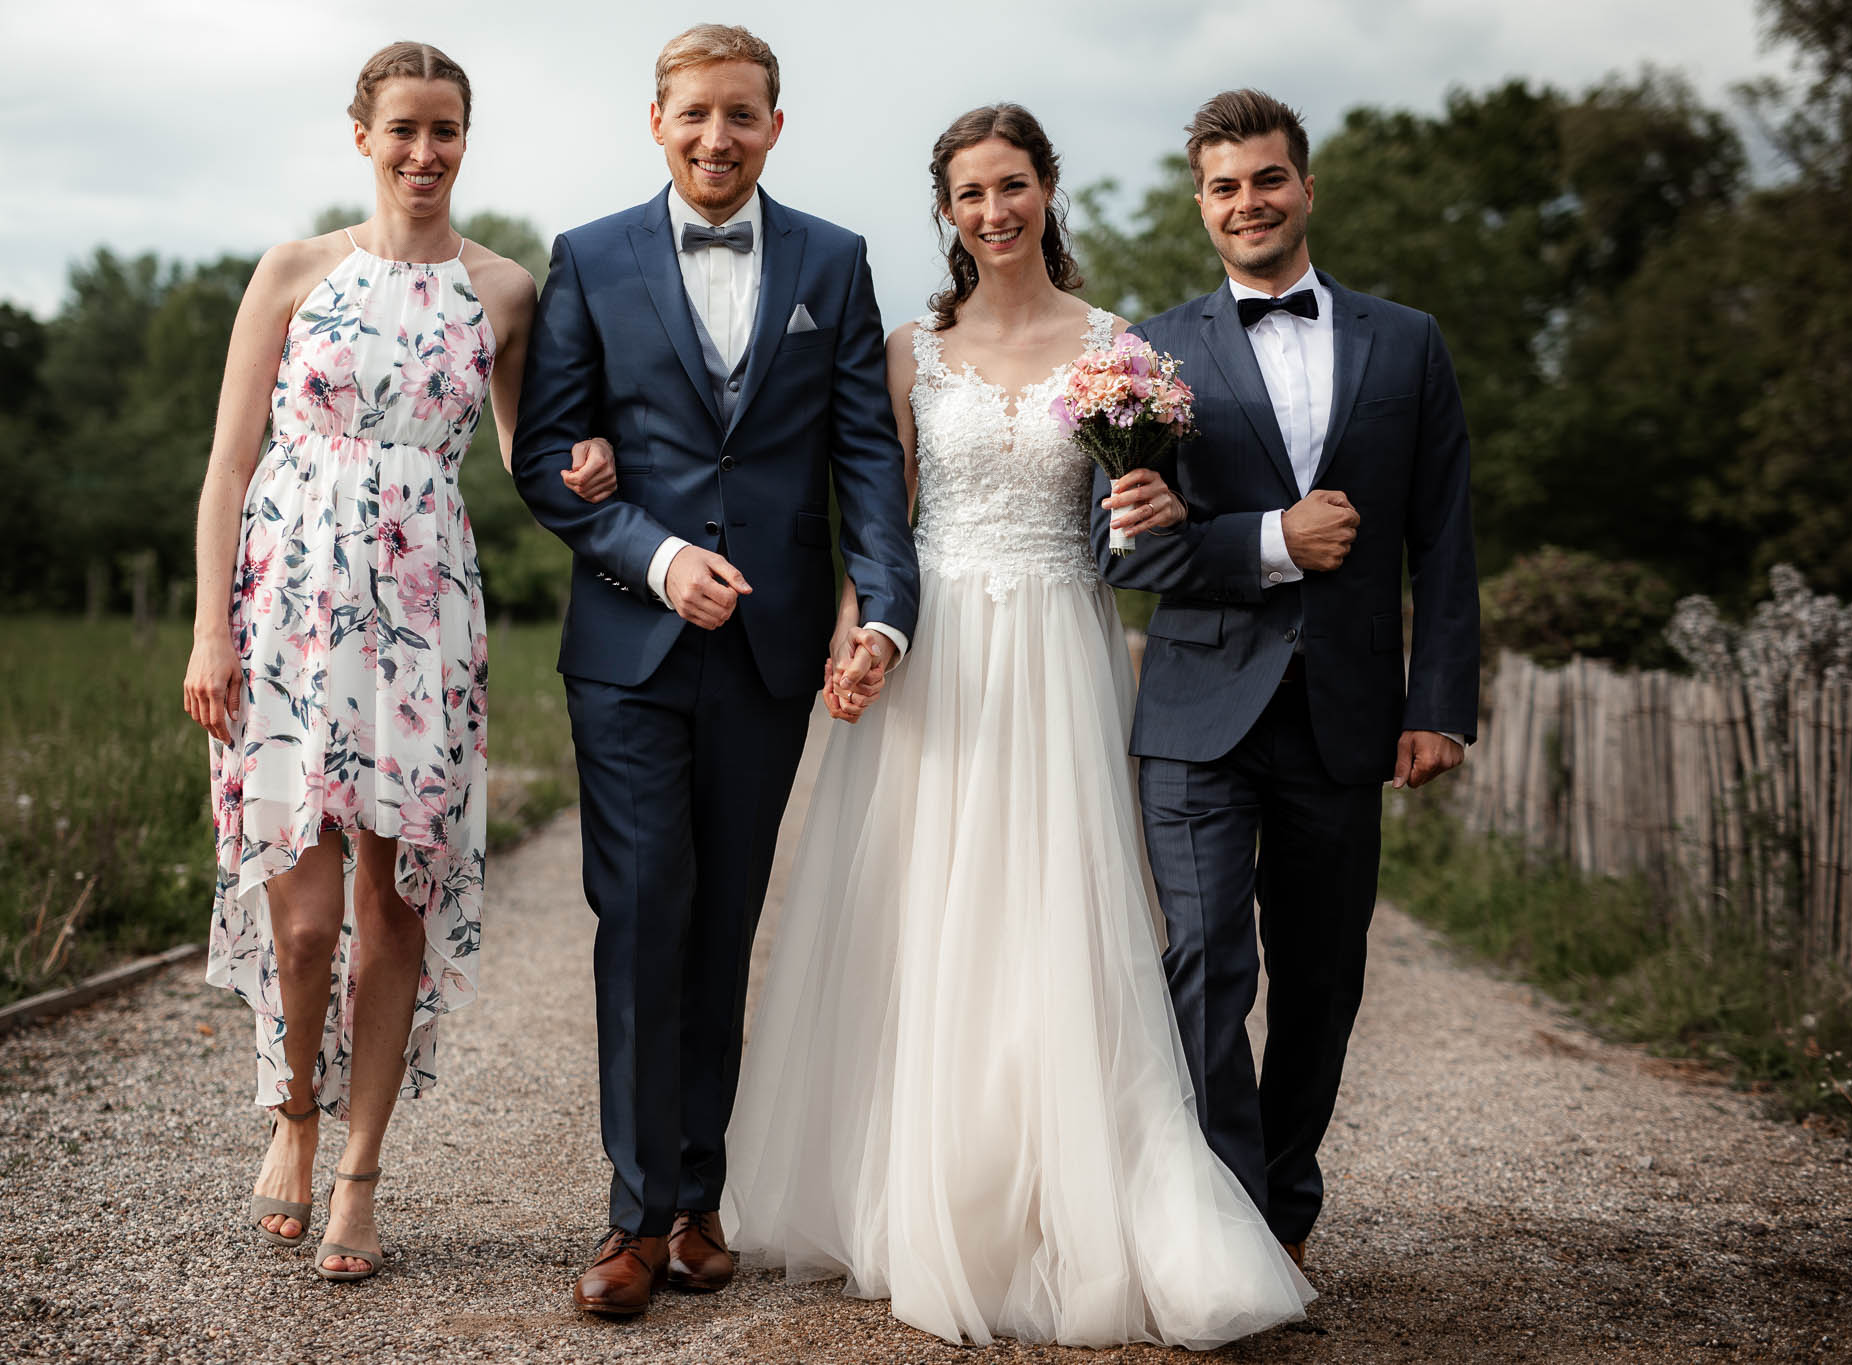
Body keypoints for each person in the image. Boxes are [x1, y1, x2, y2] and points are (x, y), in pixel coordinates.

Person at [720, 104, 1314, 1350]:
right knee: (919, 911)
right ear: (944, 213)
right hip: (933, 649)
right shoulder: (904, 353)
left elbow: (1137, 531)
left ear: (1047, 190)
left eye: (1011, 186)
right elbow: (879, 525)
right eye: (967, 194)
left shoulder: (1120, 351)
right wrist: (857, 628)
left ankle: (1064, 1195)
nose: (991, 212)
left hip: (1055, 643)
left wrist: (1145, 502)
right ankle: (915, 1190)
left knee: (1054, 911)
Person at [181, 40, 614, 1283]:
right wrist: (212, 627)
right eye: (403, 131)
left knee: (391, 906)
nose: (424, 154)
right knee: (305, 923)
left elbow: (535, 462)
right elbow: (223, 467)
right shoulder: (293, 271)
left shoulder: (504, 289)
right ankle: (293, 1115)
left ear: (466, 140)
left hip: (423, 622)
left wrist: (586, 470)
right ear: (362, 135)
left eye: (446, 132)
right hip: (287, 613)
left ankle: (360, 1173)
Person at [508, 24, 920, 1317]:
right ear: (656, 119)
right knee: (642, 912)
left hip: (770, 650)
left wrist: (886, 612)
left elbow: (866, 457)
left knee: (726, 916)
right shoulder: (586, 259)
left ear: (775, 127)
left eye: (741, 114)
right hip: (629, 649)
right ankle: (633, 1219)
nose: (716, 136)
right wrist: (653, 549)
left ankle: (701, 1198)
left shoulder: (834, 264)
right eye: (694, 114)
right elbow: (545, 461)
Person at [1093, 89, 1480, 1269]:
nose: (1246, 203)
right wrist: (1273, 540)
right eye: (1222, 186)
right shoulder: (1147, 353)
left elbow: (1445, 537)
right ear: (1200, 205)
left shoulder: (1406, 340)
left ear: (1305, 187)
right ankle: (1213, 1221)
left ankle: (1282, 1206)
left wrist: (1438, 709)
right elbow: (1135, 548)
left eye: (1265, 179)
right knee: (1206, 961)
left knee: (1321, 976)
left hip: (1346, 715)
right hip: (1197, 709)